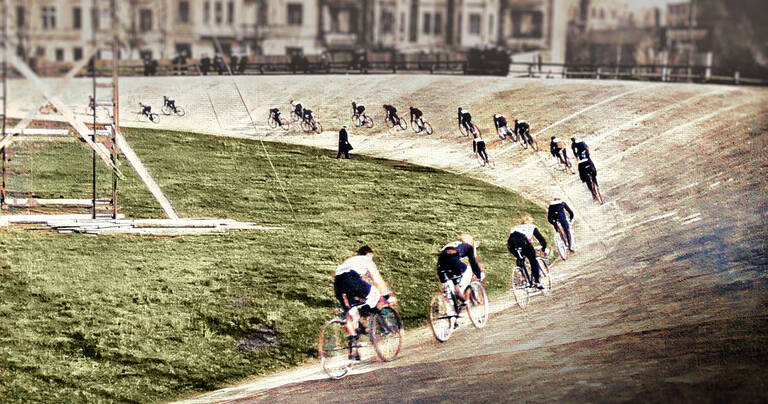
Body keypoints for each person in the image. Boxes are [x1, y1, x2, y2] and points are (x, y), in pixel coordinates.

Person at [334, 245, 394, 360]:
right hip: (351, 278)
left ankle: (353, 348)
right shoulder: (367, 260)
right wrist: (387, 296)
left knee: (352, 314)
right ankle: (370, 317)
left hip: (338, 282)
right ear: (368, 254)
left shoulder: (349, 261)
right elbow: (377, 280)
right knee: (376, 295)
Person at [436, 235, 484, 315]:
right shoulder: (467, 246)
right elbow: (473, 263)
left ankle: (452, 314)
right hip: (453, 262)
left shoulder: (451, 245)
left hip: (441, 265)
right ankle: (460, 291)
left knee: (450, 288)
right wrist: (478, 276)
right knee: (468, 269)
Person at [507, 215, 548, 289]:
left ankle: (523, 277)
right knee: (533, 260)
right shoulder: (532, 227)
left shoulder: (516, 227)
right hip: (524, 242)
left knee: (520, 257)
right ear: (531, 221)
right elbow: (541, 239)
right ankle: (537, 282)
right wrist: (544, 249)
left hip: (511, 244)